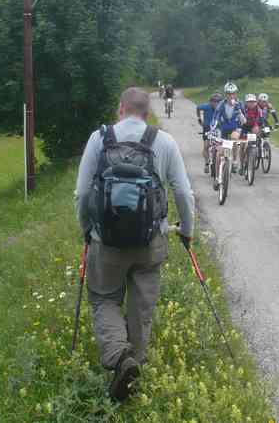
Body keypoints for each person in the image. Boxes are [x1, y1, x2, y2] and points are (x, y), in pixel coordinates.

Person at [74, 87, 194, 402]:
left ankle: (119, 356)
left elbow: (82, 194)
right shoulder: (164, 142)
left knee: (104, 299)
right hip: (151, 240)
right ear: (146, 110)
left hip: (106, 242)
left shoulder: (98, 139)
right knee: (141, 306)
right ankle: (134, 369)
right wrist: (187, 230)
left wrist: (87, 229)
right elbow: (183, 192)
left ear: (121, 108)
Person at [210, 82, 246, 177]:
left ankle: (234, 161)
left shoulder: (239, 104)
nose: (231, 96)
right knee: (219, 154)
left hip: (235, 128)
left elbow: (244, 120)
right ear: (225, 94)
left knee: (234, 138)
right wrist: (213, 128)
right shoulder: (221, 104)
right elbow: (215, 117)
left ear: (236, 94)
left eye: (233, 93)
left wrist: (239, 111)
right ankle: (217, 177)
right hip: (223, 129)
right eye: (229, 94)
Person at [196, 92, 222, 173]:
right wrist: (199, 118)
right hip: (207, 128)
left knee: (221, 146)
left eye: (218, 101)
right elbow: (198, 107)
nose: (215, 103)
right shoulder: (206, 106)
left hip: (218, 129)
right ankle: (207, 163)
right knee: (206, 146)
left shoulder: (222, 108)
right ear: (210, 102)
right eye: (213, 101)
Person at [239, 93, 266, 169]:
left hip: (253, 126)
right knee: (242, 146)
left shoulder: (258, 109)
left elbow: (261, 119)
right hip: (244, 127)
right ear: (246, 102)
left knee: (256, 136)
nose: (251, 104)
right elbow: (239, 119)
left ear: (256, 102)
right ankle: (241, 165)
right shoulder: (242, 109)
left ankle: (254, 151)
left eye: (253, 102)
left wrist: (260, 126)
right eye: (249, 102)